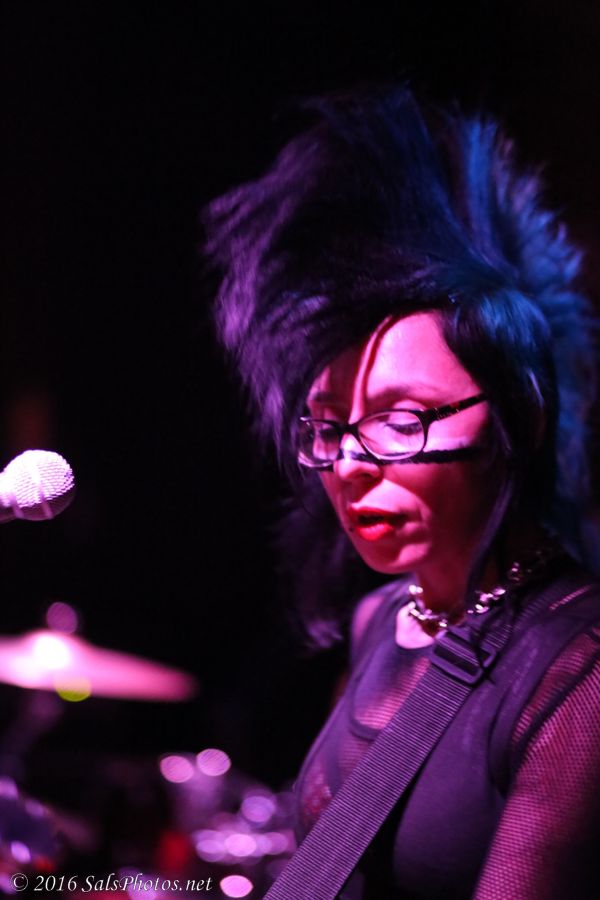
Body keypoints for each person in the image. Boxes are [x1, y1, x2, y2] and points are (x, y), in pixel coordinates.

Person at [202, 85, 600, 898]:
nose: (349, 463)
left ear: (518, 420)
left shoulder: (579, 668)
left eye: (400, 419)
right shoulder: (381, 618)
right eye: (328, 427)